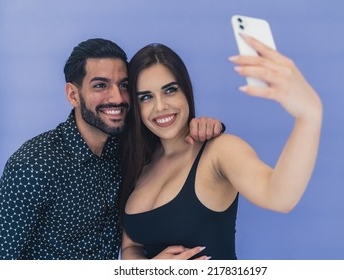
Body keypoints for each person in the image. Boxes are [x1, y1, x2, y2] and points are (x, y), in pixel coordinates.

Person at [0, 38, 223, 260]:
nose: (118, 97)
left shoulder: (130, 147)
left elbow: (173, 137)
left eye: (123, 85)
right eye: (100, 85)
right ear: (73, 95)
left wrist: (207, 127)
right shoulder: (33, 165)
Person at [120, 37, 322, 260]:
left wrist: (308, 116)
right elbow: (131, 247)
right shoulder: (140, 162)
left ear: (186, 90)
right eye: (146, 97)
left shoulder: (219, 151)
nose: (160, 106)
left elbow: (280, 197)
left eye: (170, 90)